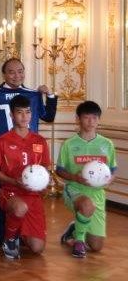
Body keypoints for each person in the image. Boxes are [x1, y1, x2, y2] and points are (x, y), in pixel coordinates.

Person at [0, 57, 58, 246]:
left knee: (29, 197)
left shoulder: (32, 95)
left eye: (20, 71)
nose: (16, 75)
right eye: (11, 72)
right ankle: (0, 237)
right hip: (2, 155)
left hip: (29, 157)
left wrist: (50, 96)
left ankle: (22, 233)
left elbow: (49, 116)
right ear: (4, 74)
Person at [0, 95, 51, 260]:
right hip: (10, 192)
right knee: (19, 208)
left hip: (33, 195)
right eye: (19, 112)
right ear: (11, 115)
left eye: (28, 112)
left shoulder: (40, 141)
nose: (25, 117)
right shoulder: (1, 141)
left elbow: (45, 169)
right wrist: (13, 181)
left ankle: (20, 231)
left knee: (37, 248)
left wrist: (45, 183)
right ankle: (9, 239)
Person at [57, 101, 117, 258]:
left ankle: (73, 230)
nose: (91, 122)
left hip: (97, 194)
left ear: (99, 120)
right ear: (78, 119)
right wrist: (74, 177)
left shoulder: (107, 144)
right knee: (86, 205)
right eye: (86, 117)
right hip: (75, 189)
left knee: (97, 246)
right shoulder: (69, 144)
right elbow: (60, 171)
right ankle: (79, 242)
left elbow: (112, 171)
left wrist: (109, 180)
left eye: (95, 118)